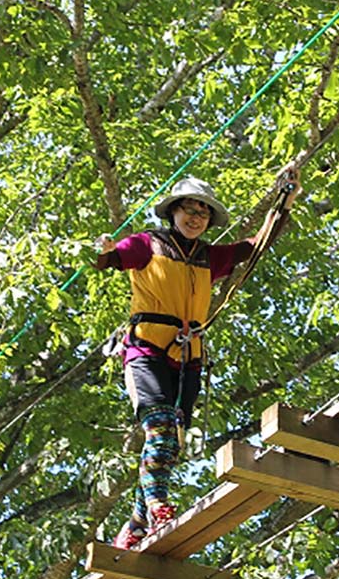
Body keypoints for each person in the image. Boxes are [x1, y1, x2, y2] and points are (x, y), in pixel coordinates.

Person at [94, 167, 301, 549]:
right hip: (147, 349)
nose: (195, 218)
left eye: (203, 213)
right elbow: (114, 259)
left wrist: (284, 201)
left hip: (188, 357)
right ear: (173, 211)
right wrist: (104, 253)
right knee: (158, 427)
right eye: (188, 209)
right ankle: (156, 506)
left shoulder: (210, 258)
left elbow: (256, 245)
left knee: (169, 440)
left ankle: (136, 523)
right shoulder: (148, 244)